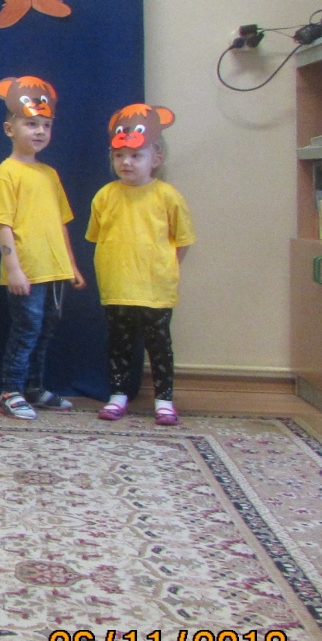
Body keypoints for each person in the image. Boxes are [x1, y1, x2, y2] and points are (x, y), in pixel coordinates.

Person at [0, 76, 85, 420]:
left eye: (46, 125)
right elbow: (2, 224)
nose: (40, 131)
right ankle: (10, 391)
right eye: (31, 124)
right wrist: (13, 269)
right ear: (9, 129)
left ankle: (34, 387)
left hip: (54, 270)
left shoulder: (50, 174)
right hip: (27, 270)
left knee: (44, 331)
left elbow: (60, 223)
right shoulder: (6, 173)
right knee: (26, 330)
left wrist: (71, 265)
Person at [87, 104, 195, 425]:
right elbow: (97, 237)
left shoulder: (168, 196)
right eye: (119, 155)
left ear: (156, 159)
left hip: (155, 288)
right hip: (117, 286)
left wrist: (166, 269)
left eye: (136, 155)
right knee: (119, 342)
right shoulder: (104, 196)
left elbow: (183, 241)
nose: (126, 162)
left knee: (159, 345)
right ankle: (118, 395)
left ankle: (164, 400)